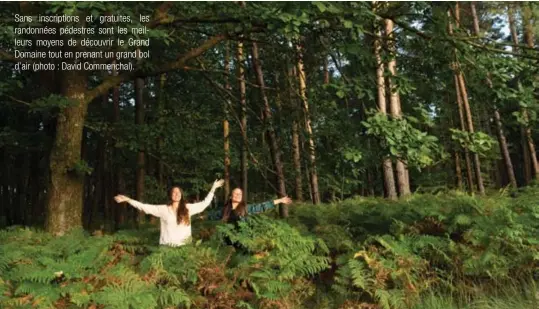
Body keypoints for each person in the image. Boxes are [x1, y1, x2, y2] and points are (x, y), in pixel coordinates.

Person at [114, 179, 224, 247]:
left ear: (181, 195)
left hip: (184, 248)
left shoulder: (188, 208)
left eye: (178, 192)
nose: (176, 194)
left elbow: (204, 204)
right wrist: (128, 200)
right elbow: (144, 207)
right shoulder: (163, 209)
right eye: (174, 192)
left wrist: (213, 188)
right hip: (166, 247)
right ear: (171, 195)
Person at [219, 188, 293, 224]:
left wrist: (280, 200)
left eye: (240, 194)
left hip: (242, 240)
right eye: (236, 193)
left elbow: (261, 206)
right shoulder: (224, 210)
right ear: (230, 197)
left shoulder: (246, 208)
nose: (238, 195)